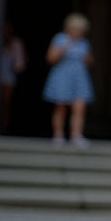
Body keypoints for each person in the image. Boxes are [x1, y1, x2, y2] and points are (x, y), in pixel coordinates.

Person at [43, 13, 95, 148]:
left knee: (79, 107)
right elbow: (50, 58)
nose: (77, 32)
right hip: (63, 75)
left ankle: (76, 135)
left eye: (80, 29)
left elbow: (90, 61)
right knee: (61, 106)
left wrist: (87, 58)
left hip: (79, 76)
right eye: (75, 28)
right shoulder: (60, 38)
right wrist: (63, 48)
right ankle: (58, 135)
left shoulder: (84, 42)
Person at [0, 21, 26, 135]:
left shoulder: (16, 43)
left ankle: (3, 131)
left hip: (8, 77)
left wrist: (14, 57)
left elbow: (20, 66)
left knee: (4, 105)